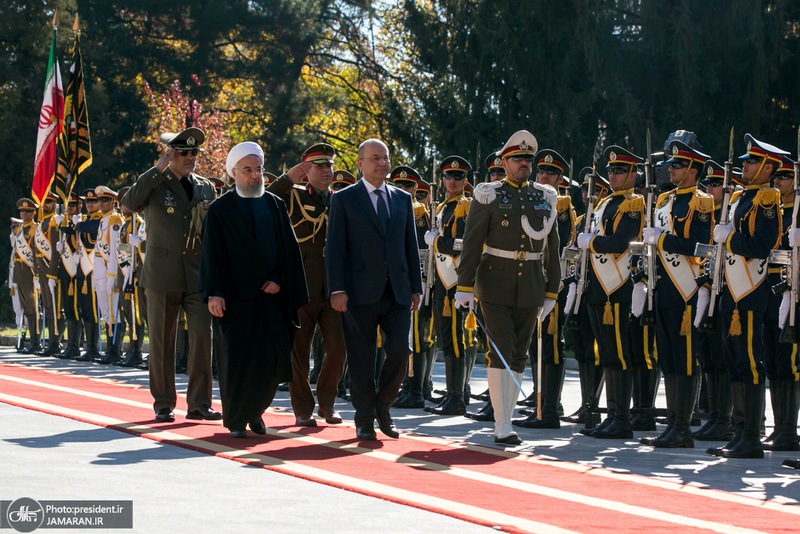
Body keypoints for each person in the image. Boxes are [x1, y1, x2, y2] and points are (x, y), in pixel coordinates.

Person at [455, 130, 560, 445]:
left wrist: (552, 290)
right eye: (518, 158)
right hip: (495, 282)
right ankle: (503, 424)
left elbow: (551, 247)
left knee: (519, 353)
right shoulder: (488, 194)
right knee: (499, 349)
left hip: (530, 282)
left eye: (528, 158)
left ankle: (507, 416)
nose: (524, 163)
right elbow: (473, 242)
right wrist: (464, 284)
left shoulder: (544, 196)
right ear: (504, 161)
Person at [200, 141, 308, 438]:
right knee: (238, 363)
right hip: (234, 302)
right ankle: (237, 418)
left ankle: (256, 411)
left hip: (271, 299)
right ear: (234, 173)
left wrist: (279, 279)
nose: (254, 175)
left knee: (271, 361)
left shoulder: (275, 205)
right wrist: (214, 292)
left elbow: (288, 252)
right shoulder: (220, 210)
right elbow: (212, 255)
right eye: (247, 170)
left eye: (258, 169)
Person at [122, 127, 221, 423]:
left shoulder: (205, 187)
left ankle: (200, 403)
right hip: (162, 275)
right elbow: (129, 203)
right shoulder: (155, 183)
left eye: (195, 153)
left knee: (203, 338)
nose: (191, 157)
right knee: (163, 343)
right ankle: (163, 403)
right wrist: (157, 169)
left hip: (197, 274)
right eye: (184, 153)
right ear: (170, 154)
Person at [326, 138, 423, 440]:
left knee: (399, 350)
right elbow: (336, 248)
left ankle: (384, 405)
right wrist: (337, 289)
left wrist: (416, 287)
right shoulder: (344, 199)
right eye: (375, 158)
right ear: (360, 163)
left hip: (397, 290)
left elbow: (410, 245)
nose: (382, 163)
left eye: (385, 158)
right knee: (361, 358)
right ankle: (364, 417)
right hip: (359, 292)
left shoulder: (402, 199)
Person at [704, 134, 786, 459]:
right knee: (734, 362)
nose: (745, 166)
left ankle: (751, 436)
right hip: (731, 290)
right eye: (745, 161)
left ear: (767, 168)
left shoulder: (767, 199)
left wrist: (731, 239)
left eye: (751, 161)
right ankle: (739, 433)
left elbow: (760, 247)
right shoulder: (739, 197)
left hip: (751, 292)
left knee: (750, 363)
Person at [267, 142, 346, 427]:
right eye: (320, 166)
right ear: (306, 170)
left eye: (329, 166)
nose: (327, 170)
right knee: (298, 352)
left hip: (333, 288)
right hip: (300, 286)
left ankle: (327, 401)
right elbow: (264, 199)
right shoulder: (292, 196)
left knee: (338, 348)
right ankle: (302, 407)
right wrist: (288, 179)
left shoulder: (340, 200)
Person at [639, 141, 713, 448]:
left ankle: (683, 426)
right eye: (671, 165)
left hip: (686, 290)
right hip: (663, 289)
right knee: (667, 358)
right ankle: (671, 424)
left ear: (693, 170)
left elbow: (699, 248)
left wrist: (664, 240)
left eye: (678, 165)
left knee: (684, 358)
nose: (671, 169)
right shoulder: (664, 201)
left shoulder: (702, 202)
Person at [576, 145, 645, 440]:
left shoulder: (632, 203)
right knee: (606, 354)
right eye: (611, 171)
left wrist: (590, 242)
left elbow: (619, 242)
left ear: (632, 175)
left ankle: (622, 419)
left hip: (616, 287)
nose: (613, 175)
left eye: (619, 170)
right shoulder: (606, 204)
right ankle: (612, 414)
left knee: (619, 353)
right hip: (597, 288)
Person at [513, 148, 574, 430]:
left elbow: (556, 246)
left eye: (552, 172)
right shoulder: (534, 200)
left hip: (552, 282)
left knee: (550, 344)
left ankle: (549, 409)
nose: (545, 176)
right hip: (532, 282)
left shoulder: (560, 205)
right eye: (541, 171)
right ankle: (542, 404)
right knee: (537, 345)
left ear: (561, 178)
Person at [425, 156, 472, 416]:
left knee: (454, 338)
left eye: (457, 177)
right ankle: (453, 393)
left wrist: (437, 241)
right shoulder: (443, 207)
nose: (452, 181)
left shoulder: (466, 207)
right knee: (446, 339)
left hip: (455, 280)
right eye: (448, 176)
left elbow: (464, 244)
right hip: (441, 281)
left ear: (465, 181)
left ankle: (457, 397)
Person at [763, 156, 800, 452]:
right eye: (777, 176)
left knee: (789, 362)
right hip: (769, 290)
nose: (777, 180)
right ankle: (778, 427)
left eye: (785, 176)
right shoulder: (773, 211)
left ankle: (789, 429)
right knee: (773, 361)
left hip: (791, 291)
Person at [390, 165, 434, 410]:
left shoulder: (417, 211)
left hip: (418, 280)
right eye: (399, 185)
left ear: (417, 189)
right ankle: (411, 387)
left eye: (408, 186)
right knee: (410, 337)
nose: (404, 189)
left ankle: (415, 389)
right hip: (403, 278)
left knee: (417, 338)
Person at [54, 193, 84, 360]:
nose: (70, 207)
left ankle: (75, 345)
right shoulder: (66, 223)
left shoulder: (79, 221)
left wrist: (67, 227)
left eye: (73, 204)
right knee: (68, 310)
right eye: (68, 205)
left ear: (79, 206)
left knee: (75, 310)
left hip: (75, 271)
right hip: (65, 271)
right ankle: (71, 344)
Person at [34, 192, 63, 356]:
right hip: (42, 270)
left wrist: (52, 273)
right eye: (43, 202)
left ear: (54, 203)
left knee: (56, 307)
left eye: (48, 202)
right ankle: (51, 342)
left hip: (51, 271)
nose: (44, 205)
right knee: (48, 307)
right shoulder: (41, 223)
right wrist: (38, 275)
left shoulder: (53, 221)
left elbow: (55, 252)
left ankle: (55, 342)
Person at [13, 198, 41, 354]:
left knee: (33, 309)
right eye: (22, 211)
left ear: (34, 213)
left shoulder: (34, 229)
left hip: (29, 273)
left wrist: (37, 275)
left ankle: (36, 342)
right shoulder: (20, 229)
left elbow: (36, 255)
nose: (24, 213)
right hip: (20, 273)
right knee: (27, 309)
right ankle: (32, 341)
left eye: (28, 211)